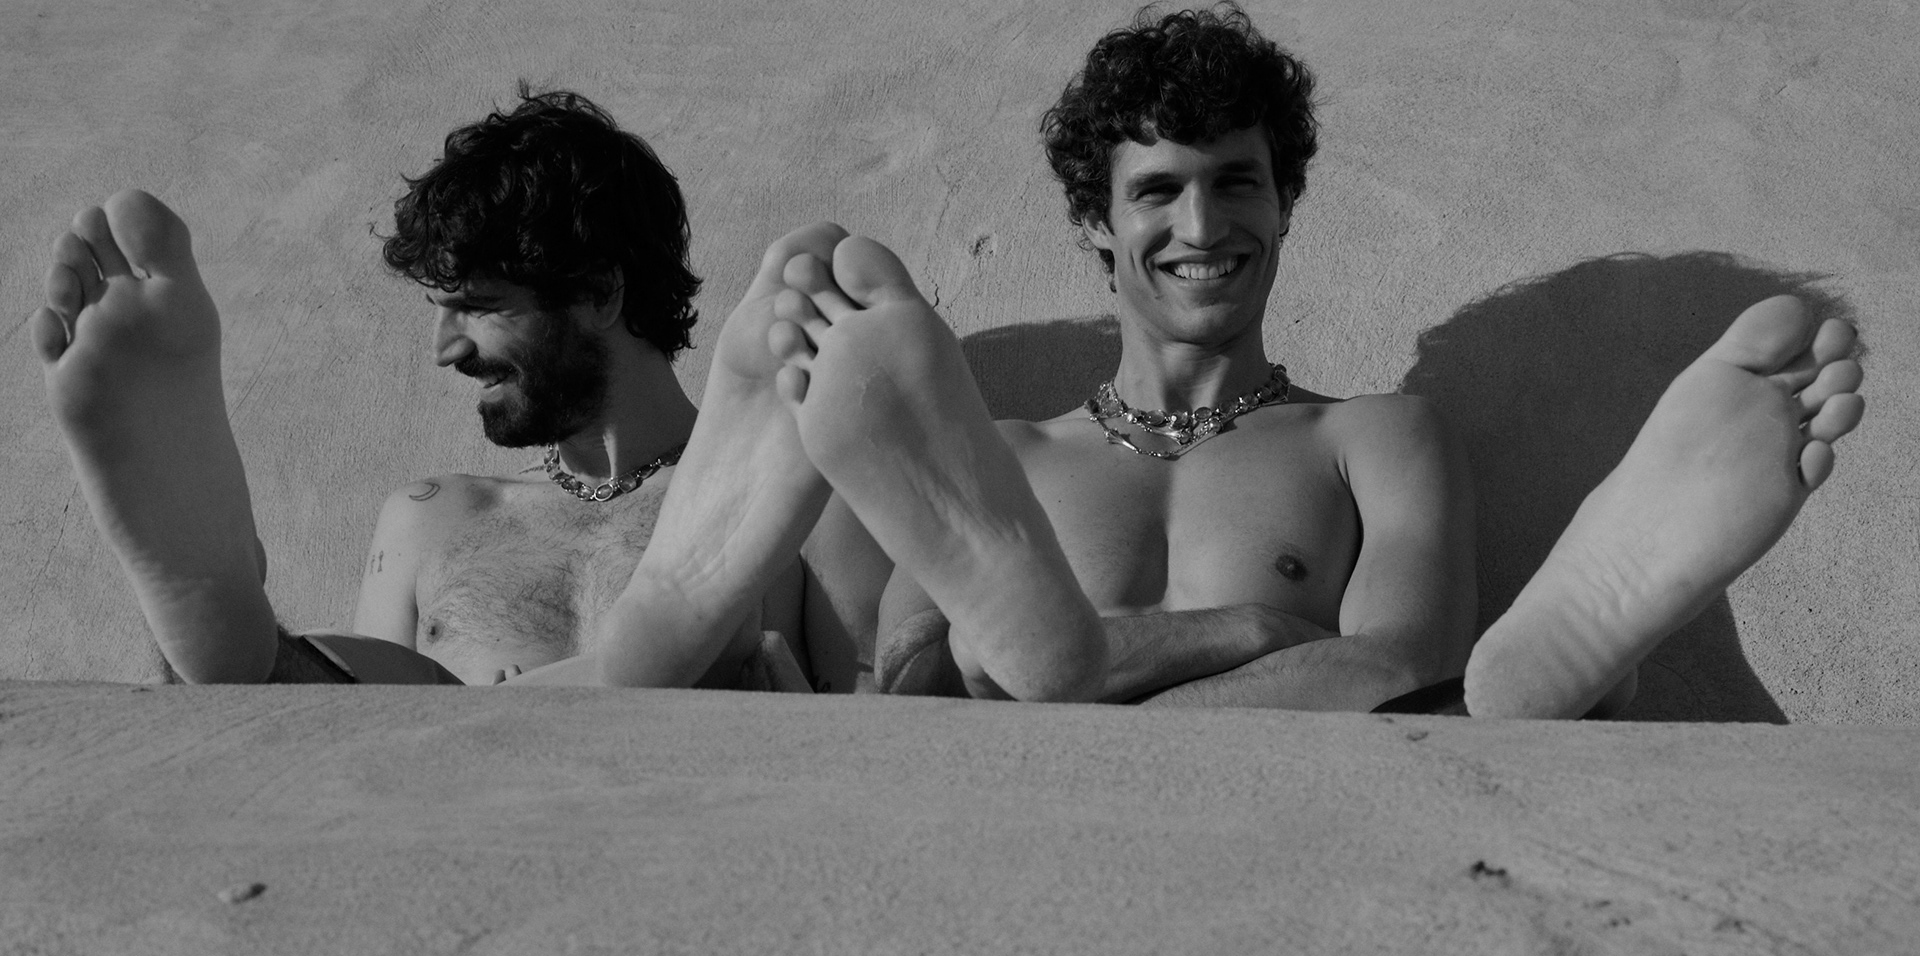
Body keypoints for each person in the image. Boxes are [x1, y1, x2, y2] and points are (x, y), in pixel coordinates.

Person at [823, 4, 1862, 718]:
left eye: (1238, 182)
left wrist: (1079, 679)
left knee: (1440, 697)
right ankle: (1564, 695)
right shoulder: (1001, 453)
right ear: (1098, 221)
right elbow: (914, 684)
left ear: (1284, 203)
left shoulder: (1373, 435)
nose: (1203, 225)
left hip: (1299, 806)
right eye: (1158, 190)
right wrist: (1255, 629)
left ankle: (1573, 645)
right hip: (1039, 806)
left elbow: (1401, 659)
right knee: (966, 654)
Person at [32, 88, 888, 691]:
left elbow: (886, 721)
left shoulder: (795, 491)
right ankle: (234, 639)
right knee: (362, 695)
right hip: (454, 809)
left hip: (695, 816)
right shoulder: (432, 516)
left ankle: (245, 660)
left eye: (477, 307)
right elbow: (360, 756)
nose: (445, 349)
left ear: (600, 292)